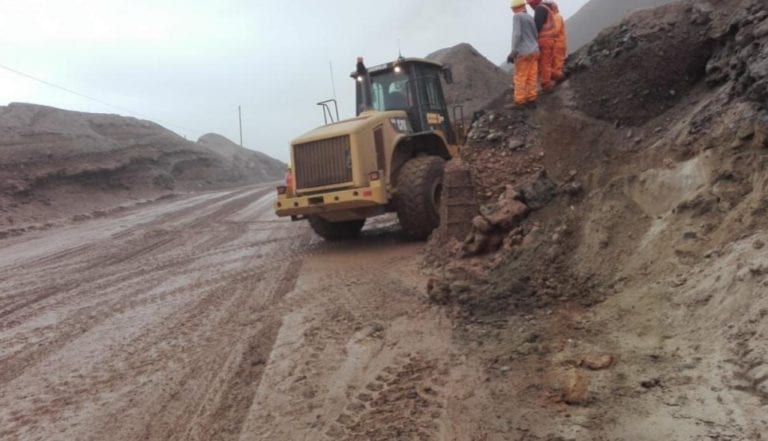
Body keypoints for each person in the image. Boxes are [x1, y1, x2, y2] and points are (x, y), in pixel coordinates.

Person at [507, 0, 540, 106]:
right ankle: (532, 98)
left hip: (523, 52)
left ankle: (520, 101)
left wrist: (513, 52)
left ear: (514, 8)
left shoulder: (517, 17)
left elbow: (517, 35)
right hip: (534, 50)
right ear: (524, 6)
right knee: (531, 76)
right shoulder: (530, 17)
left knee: (520, 76)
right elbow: (535, 34)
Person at [526, 0, 559, 92]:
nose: (530, 6)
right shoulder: (546, 8)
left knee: (544, 63)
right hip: (550, 40)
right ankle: (558, 75)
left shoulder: (539, 9)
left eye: (530, 4)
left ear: (534, 3)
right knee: (546, 63)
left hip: (544, 40)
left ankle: (546, 85)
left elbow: (537, 26)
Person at [544, 0, 567, 82]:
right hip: (555, 44)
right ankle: (558, 78)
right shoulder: (552, 17)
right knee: (555, 64)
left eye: (547, 6)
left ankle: (561, 80)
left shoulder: (556, 17)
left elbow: (555, 31)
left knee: (557, 64)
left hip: (558, 44)